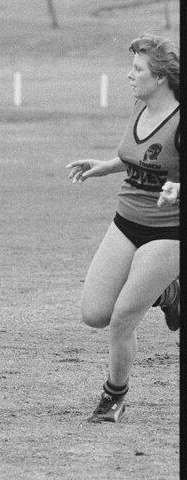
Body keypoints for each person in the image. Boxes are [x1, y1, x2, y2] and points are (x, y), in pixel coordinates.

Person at [65, 33, 180, 424]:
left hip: (169, 231)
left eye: (137, 69)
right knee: (95, 314)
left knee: (122, 318)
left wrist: (179, 188)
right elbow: (135, 155)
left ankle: (114, 396)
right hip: (126, 221)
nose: (129, 75)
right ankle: (168, 293)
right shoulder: (139, 107)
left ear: (160, 76)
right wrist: (105, 165)